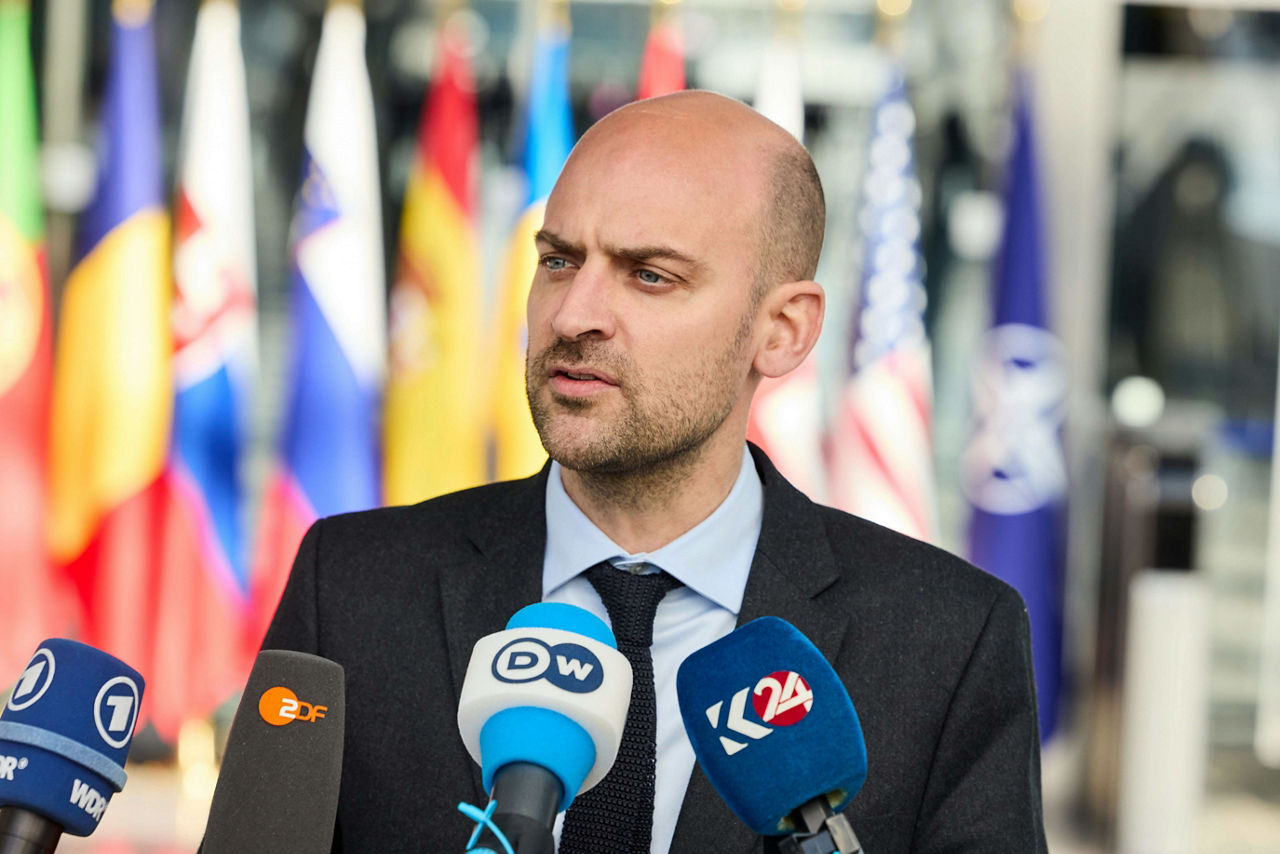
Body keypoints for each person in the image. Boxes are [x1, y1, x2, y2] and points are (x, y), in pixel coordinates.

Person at [261, 90, 1048, 853]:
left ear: (782, 331)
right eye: (560, 260)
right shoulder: (352, 587)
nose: (573, 316)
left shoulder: (949, 643)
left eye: (649, 275)